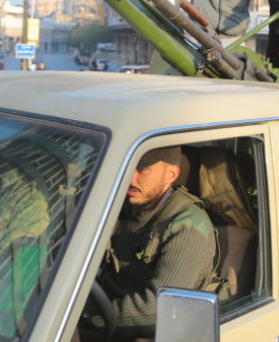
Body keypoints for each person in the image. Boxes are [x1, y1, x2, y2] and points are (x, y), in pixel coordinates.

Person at [86, 146, 217, 341]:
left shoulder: (188, 226)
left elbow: (161, 307)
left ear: (171, 174)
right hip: (108, 309)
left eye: (143, 169)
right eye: (129, 166)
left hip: (127, 325)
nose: (131, 178)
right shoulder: (123, 205)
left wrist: (83, 320)